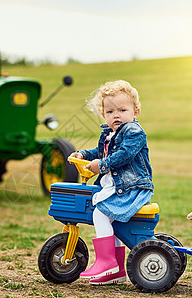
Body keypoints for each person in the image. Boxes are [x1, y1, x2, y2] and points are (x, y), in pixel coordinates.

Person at [69, 80, 154, 285]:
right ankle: (115, 271)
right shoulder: (109, 134)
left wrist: (102, 165)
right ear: (103, 114)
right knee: (111, 221)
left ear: (136, 111)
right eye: (110, 111)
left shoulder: (134, 132)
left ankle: (106, 262)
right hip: (117, 188)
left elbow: (124, 155)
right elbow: (100, 153)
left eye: (122, 110)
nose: (116, 115)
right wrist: (84, 154)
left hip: (133, 189)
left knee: (102, 213)